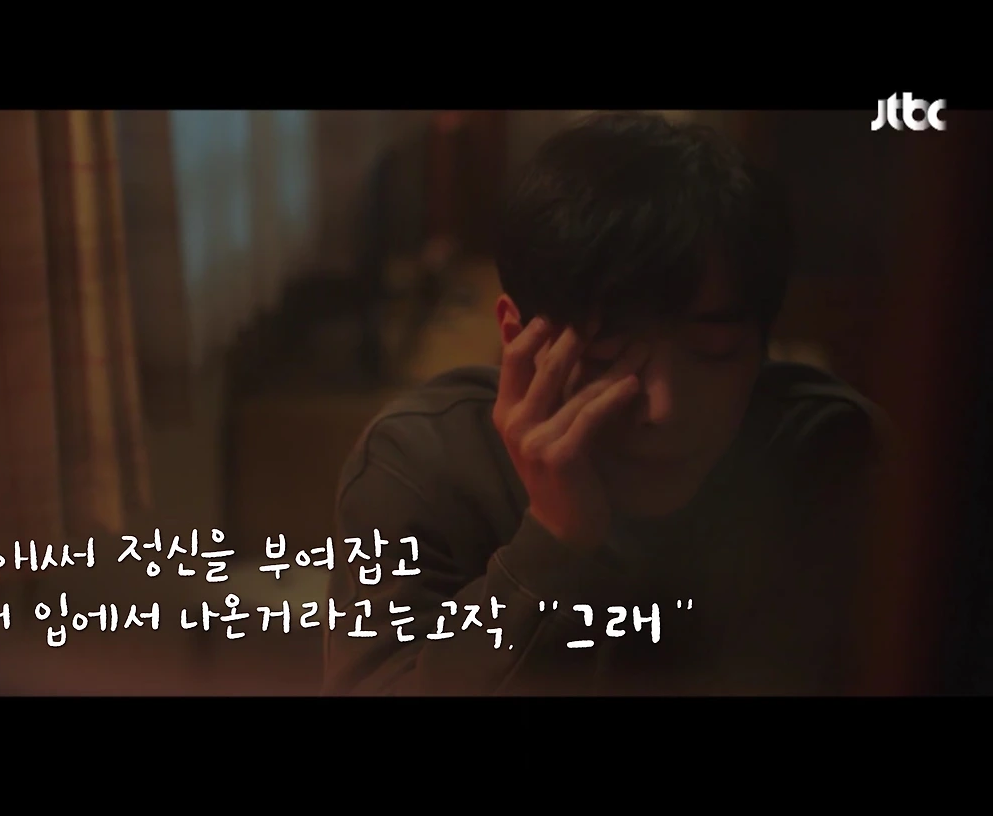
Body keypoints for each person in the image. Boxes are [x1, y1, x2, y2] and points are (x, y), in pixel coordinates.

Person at [322, 112, 895, 696]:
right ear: (517, 336)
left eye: (714, 351)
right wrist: (551, 543)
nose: (663, 407)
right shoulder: (425, 462)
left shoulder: (826, 453)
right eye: (605, 355)